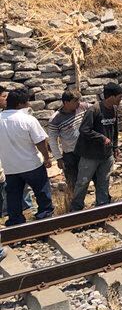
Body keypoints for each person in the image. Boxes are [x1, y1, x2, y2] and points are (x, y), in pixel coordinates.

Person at [0, 88, 54, 225]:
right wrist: (47, 158)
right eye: (26, 102)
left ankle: (16, 223)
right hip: (32, 165)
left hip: (10, 168)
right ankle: (45, 218)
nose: (28, 105)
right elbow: (40, 141)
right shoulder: (28, 120)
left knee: (13, 197)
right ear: (19, 104)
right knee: (42, 192)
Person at [70, 82, 122, 212]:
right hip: (90, 155)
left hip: (106, 154)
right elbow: (84, 130)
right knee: (83, 183)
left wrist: (115, 147)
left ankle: (102, 208)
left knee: (104, 181)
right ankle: (76, 210)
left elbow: (114, 129)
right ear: (111, 96)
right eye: (119, 96)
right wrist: (102, 138)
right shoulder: (94, 110)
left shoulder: (114, 109)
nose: (121, 99)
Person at [47, 89, 86, 195]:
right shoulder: (55, 119)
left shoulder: (83, 107)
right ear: (66, 103)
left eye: (78, 101)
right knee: (72, 181)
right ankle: (75, 205)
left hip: (86, 150)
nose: (78, 103)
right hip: (70, 154)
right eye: (75, 101)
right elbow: (52, 140)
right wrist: (58, 158)